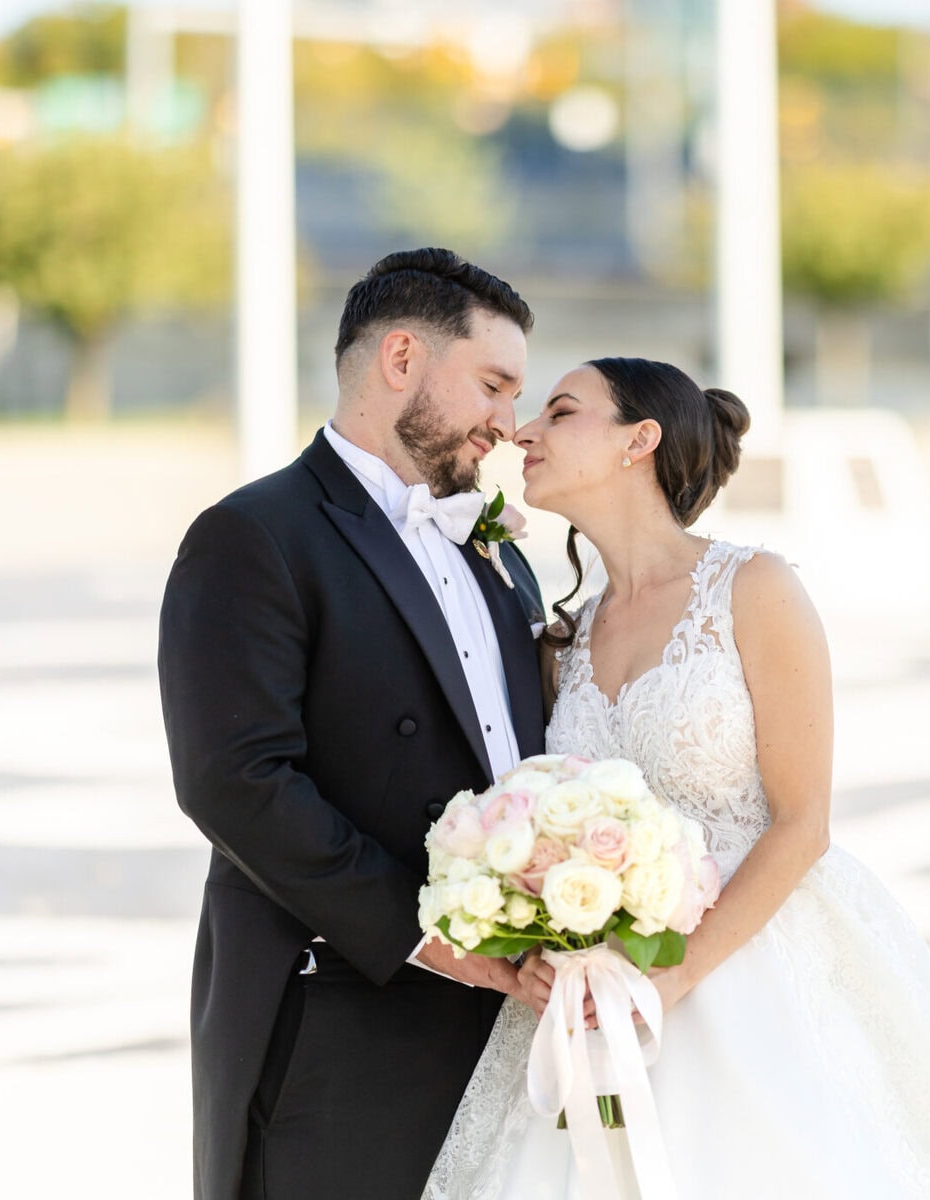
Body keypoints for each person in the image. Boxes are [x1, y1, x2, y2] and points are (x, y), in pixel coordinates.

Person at [424, 357, 930, 1198]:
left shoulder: (755, 590)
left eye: (561, 412)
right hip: (603, 983)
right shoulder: (563, 639)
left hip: (755, 966)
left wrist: (673, 975)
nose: (524, 431)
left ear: (641, 440)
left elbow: (803, 822)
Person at [158, 248, 551, 1200]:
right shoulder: (255, 534)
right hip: (337, 1016)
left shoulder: (495, 551)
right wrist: (434, 936)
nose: (509, 423)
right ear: (403, 359)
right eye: (494, 385)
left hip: (502, 1032)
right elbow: (235, 781)